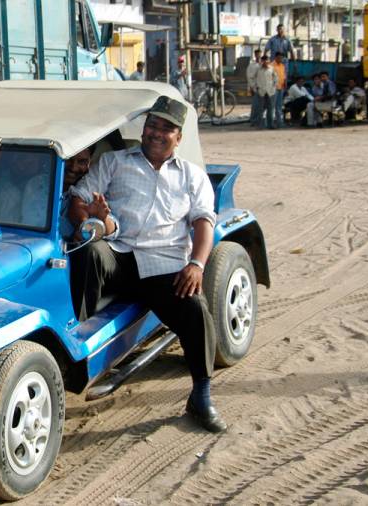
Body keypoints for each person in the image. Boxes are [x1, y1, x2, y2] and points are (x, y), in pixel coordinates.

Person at [67, 96, 224, 433]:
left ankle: (201, 394)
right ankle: (77, 349)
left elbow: (203, 223)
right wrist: (88, 224)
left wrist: (196, 263)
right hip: (117, 252)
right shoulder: (114, 162)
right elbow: (80, 198)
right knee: (88, 252)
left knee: (196, 309)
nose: (156, 132)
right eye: (152, 125)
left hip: (163, 265)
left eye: (166, 128)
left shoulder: (193, 177)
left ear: (178, 137)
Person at [255, 56, 278, 129]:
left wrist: (274, 86)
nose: (265, 62)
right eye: (263, 61)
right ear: (262, 61)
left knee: (270, 109)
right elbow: (252, 78)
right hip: (261, 91)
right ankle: (260, 125)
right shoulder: (258, 69)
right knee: (260, 109)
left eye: (266, 61)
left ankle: (270, 125)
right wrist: (255, 87)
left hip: (270, 91)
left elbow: (276, 78)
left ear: (269, 61)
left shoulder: (271, 69)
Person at [246, 49, 262, 127]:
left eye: (260, 54)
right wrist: (251, 87)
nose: (258, 56)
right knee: (255, 105)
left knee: (261, 105)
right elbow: (249, 77)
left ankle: (259, 120)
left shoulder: (263, 64)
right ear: (255, 55)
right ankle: (253, 120)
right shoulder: (252, 65)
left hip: (263, 88)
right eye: (257, 54)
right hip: (255, 88)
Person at [271, 52, 287, 128]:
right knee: (272, 106)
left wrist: (285, 83)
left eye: (282, 58)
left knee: (279, 106)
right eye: (279, 58)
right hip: (274, 88)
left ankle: (279, 122)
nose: (281, 59)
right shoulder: (271, 66)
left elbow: (284, 76)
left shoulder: (282, 66)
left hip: (281, 88)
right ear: (276, 57)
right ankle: (270, 123)